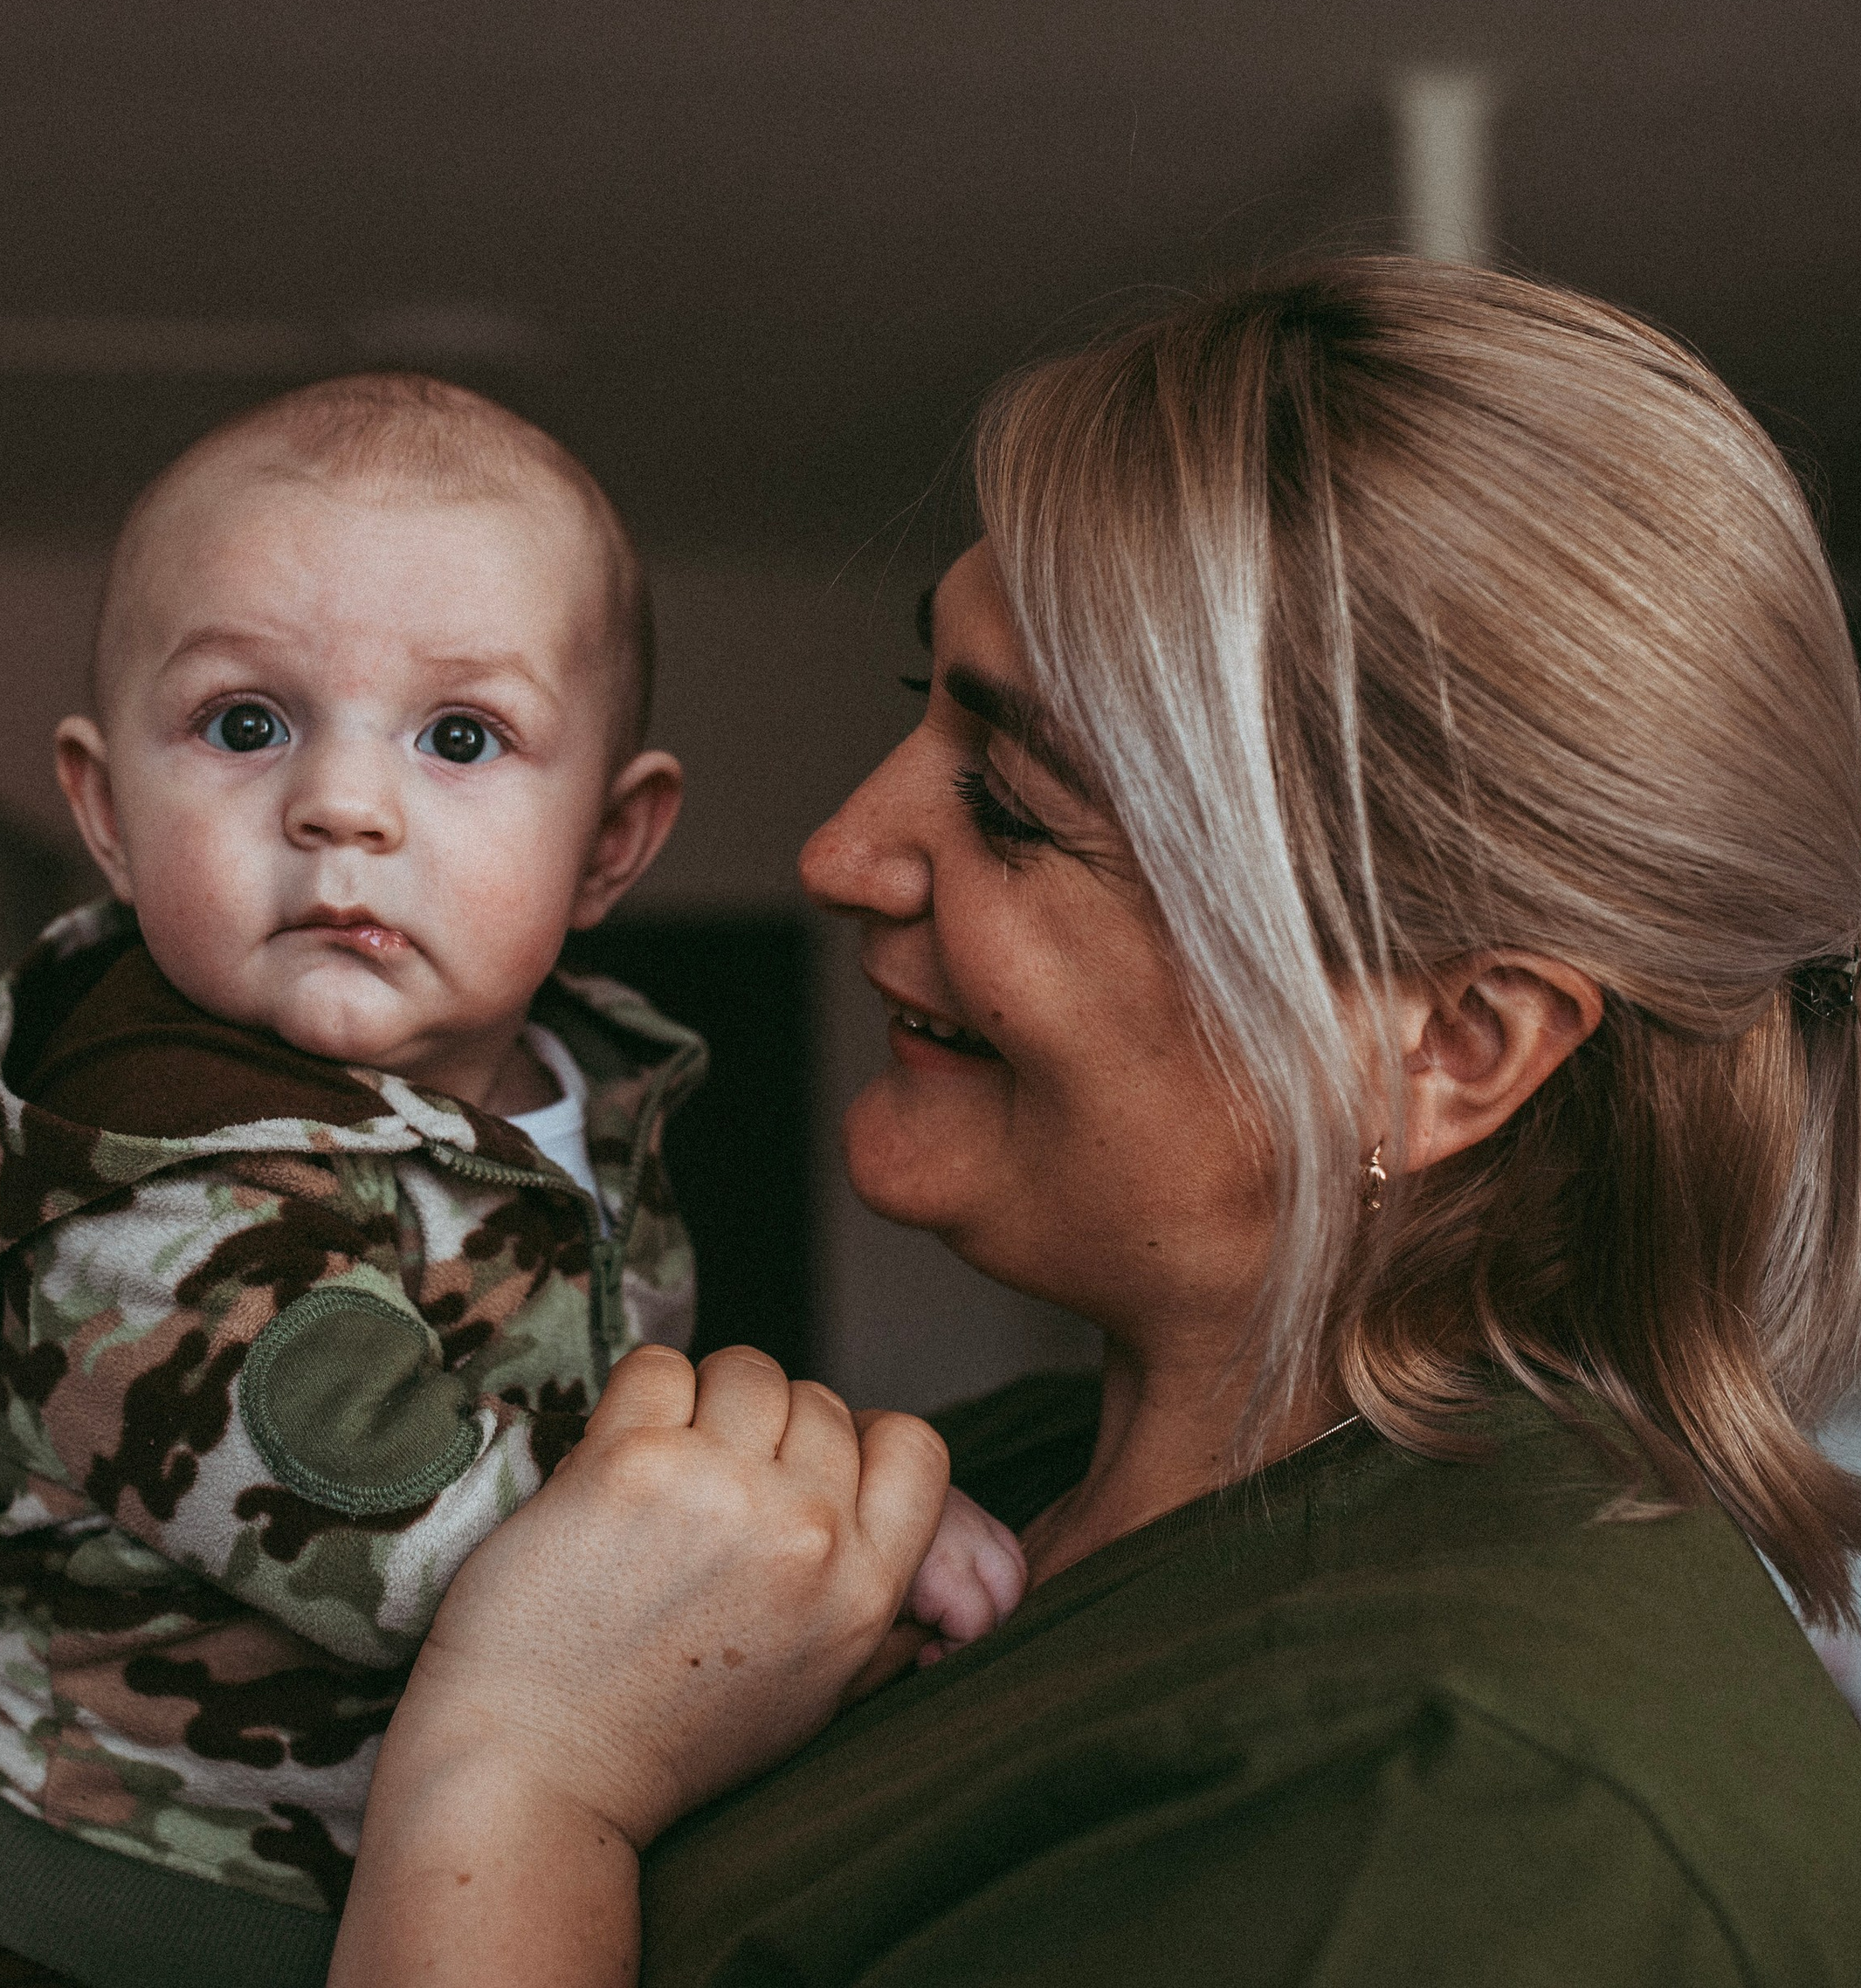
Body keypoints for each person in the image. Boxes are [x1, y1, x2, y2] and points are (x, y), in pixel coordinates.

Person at [325, 261, 1861, 1988]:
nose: (838, 851)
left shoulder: (1471, 1793)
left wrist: (519, 1778)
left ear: (1447, 1043)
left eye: (1012, 805)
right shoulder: (1002, 1486)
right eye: (920, 707)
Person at [0, 376, 1026, 1987]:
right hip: (107, 1915)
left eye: (460, 736)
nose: (342, 806)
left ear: (612, 846)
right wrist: (824, 1552)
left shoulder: (583, 1097)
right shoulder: (152, 1171)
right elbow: (383, 1509)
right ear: (108, 816)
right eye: (246, 724)